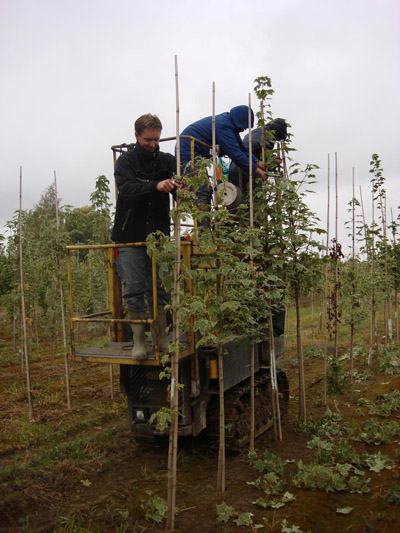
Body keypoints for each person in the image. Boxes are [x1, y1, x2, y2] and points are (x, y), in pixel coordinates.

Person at [111, 114, 178, 360]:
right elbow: (126, 191)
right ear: (137, 136)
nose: (153, 144)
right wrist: (155, 186)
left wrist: (184, 189)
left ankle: (161, 338)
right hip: (130, 237)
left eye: (156, 139)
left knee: (160, 290)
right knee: (135, 289)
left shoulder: (166, 160)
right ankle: (139, 342)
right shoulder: (125, 163)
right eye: (148, 139)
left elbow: (181, 183)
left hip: (158, 237)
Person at [179, 105, 268, 206]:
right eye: (244, 125)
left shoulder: (229, 125)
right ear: (239, 120)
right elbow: (236, 154)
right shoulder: (223, 126)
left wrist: (257, 162)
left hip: (195, 154)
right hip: (188, 153)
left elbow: (242, 149)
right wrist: (257, 170)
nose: (244, 129)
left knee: (204, 189)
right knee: (202, 190)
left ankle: (205, 218)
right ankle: (203, 220)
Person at [228, 118, 288, 194]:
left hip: (234, 168)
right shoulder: (268, 138)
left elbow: (255, 151)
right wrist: (275, 162)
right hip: (248, 171)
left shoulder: (257, 132)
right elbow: (265, 162)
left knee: (236, 199)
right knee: (255, 198)